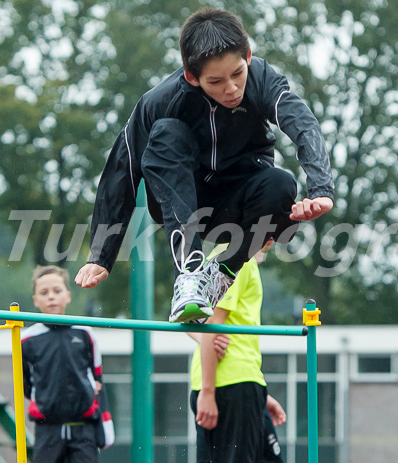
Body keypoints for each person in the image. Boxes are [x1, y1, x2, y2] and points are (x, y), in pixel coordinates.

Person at [75, 7, 334, 323]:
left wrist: (321, 188)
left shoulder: (263, 80)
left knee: (281, 184)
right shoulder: (160, 101)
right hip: (181, 201)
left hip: (239, 203)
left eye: (238, 74)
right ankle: (190, 273)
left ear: (248, 56)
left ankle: (223, 271)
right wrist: (102, 253)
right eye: (216, 81)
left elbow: (304, 124)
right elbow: (123, 167)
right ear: (192, 77)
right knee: (167, 133)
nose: (231, 89)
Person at [189, 240, 282, 463]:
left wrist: (263, 397)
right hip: (230, 384)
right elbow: (212, 324)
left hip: (223, 382)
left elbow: (187, 317)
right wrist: (209, 392)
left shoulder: (218, 254)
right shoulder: (239, 256)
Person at [21, 265, 114, 463]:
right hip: (48, 430)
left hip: (84, 429)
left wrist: (105, 423)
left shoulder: (85, 334)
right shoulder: (27, 340)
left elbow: (98, 381)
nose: (51, 297)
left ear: (68, 296)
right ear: (35, 300)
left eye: (57, 290)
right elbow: (26, 384)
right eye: (44, 293)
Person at [190, 334, 288, 463]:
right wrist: (207, 339)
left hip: (243, 384)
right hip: (232, 385)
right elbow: (180, 314)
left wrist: (263, 397)